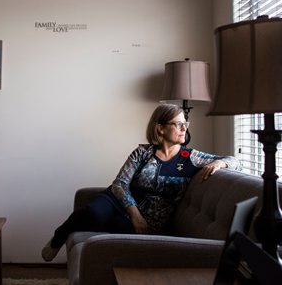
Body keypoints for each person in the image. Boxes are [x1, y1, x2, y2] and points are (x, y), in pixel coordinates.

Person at [41, 104, 242, 262]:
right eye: (178, 124)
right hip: (118, 202)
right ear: (161, 128)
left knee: (116, 229)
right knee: (93, 213)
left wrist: (220, 162)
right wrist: (135, 214)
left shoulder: (191, 157)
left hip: (152, 219)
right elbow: (120, 183)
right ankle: (59, 237)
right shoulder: (142, 153)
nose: (184, 128)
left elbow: (236, 161)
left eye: (185, 124)